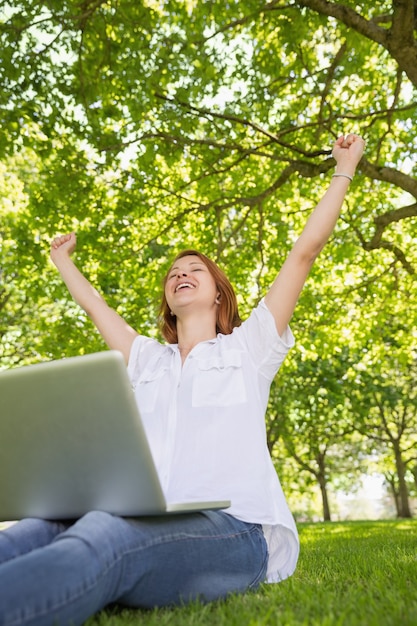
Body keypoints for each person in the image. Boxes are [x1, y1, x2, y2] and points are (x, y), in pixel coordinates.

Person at [0, 133, 365, 626]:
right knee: (33, 530)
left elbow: (303, 252)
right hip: (145, 518)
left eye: (195, 269)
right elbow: (95, 307)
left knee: (105, 535)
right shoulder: (147, 359)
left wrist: (345, 166)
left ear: (219, 295)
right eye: (173, 273)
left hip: (233, 532)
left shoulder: (249, 348)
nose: (180, 274)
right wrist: (62, 260)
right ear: (167, 300)